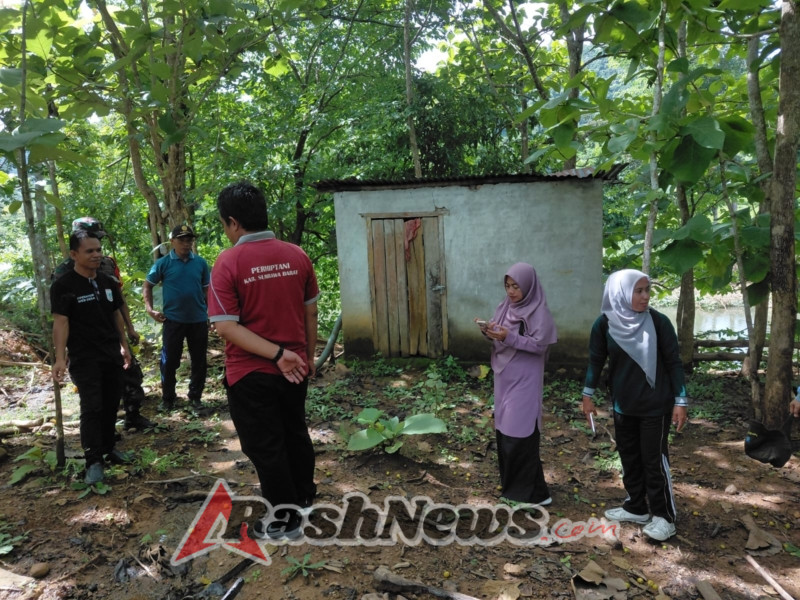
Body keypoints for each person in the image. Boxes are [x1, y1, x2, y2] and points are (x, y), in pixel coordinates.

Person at [208, 181, 319, 541]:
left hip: (251, 372)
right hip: (295, 368)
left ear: (233, 222)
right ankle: (304, 498)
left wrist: (276, 355)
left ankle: (285, 520)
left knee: (266, 444)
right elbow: (310, 311)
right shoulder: (296, 254)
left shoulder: (228, 261)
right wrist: (305, 355)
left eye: (225, 226)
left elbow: (225, 326)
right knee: (294, 432)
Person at [581, 269, 688, 542]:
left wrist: (680, 400)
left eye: (647, 290)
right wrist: (588, 395)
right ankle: (636, 506)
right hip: (623, 405)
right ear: (620, 292)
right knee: (629, 457)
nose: (645, 297)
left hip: (655, 406)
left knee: (654, 461)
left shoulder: (659, 323)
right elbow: (596, 361)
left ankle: (664, 517)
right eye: (637, 291)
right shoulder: (604, 325)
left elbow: (674, 363)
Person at [53, 217, 154, 431]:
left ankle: (131, 416)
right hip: (84, 342)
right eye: (90, 246)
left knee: (129, 376)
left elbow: (118, 301)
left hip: (111, 335)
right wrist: (62, 353)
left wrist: (129, 329)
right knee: (93, 397)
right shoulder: (64, 272)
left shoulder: (107, 264)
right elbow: (61, 315)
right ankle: (99, 444)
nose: (96, 252)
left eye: (98, 242)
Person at [51, 229, 133, 484]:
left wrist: (124, 345)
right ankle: (93, 460)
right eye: (90, 251)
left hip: (111, 353)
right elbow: (61, 323)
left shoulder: (108, 282)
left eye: (98, 250)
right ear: (74, 254)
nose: (97, 255)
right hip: (84, 357)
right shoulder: (63, 285)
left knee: (111, 403)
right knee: (92, 406)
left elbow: (115, 315)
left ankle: (109, 449)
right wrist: (60, 358)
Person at [478, 262, 558, 507]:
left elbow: (540, 345)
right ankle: (521, 490)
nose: (511, 291)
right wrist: (489, 330)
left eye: (516, 286)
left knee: (520, 431)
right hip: (505, 377)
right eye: (507, 286)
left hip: (525, 379)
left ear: (529, 287)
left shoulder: (538, 312)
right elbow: (501, 333)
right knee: (505, 430)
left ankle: (531, 495)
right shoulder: (505, 307)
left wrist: (509, 337)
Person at [143, 225, 210, 413]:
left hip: (198, 320)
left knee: (199, 360)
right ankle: (168, 399)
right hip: (173, 320)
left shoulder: (201, 263)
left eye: (189, 239)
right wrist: (150, 310)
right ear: (172, 241)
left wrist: (211, 313)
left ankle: (195, 398)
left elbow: (206, 289)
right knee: (169, 361)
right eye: (181, 239)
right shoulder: (163, 263)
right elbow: (147, 285)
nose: (186, 243)